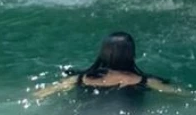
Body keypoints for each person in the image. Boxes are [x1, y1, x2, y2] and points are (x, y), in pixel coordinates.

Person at [33, 32, 175, 101]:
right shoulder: (145, 81)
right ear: (132, 55)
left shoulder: (80, 79)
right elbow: (180, 94)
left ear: (102, 53)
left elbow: (40, 94)